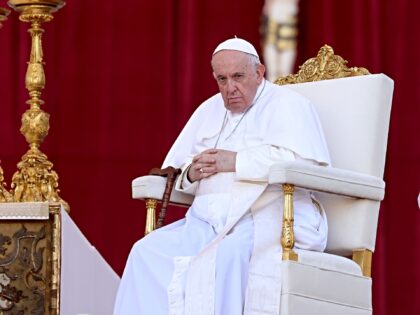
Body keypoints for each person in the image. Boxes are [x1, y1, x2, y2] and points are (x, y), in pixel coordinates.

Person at [114, 37, 330, 315]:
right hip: (205, 223)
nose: (230, 89)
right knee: (145, 252)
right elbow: (178, 170)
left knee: (223, 259)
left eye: (238, 77)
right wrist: (192, 173)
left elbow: (303, 163)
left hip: (264, 218)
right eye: (222, 79)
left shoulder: (289, 104)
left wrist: (236, 161)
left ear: (259, 72)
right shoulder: (208, 109)